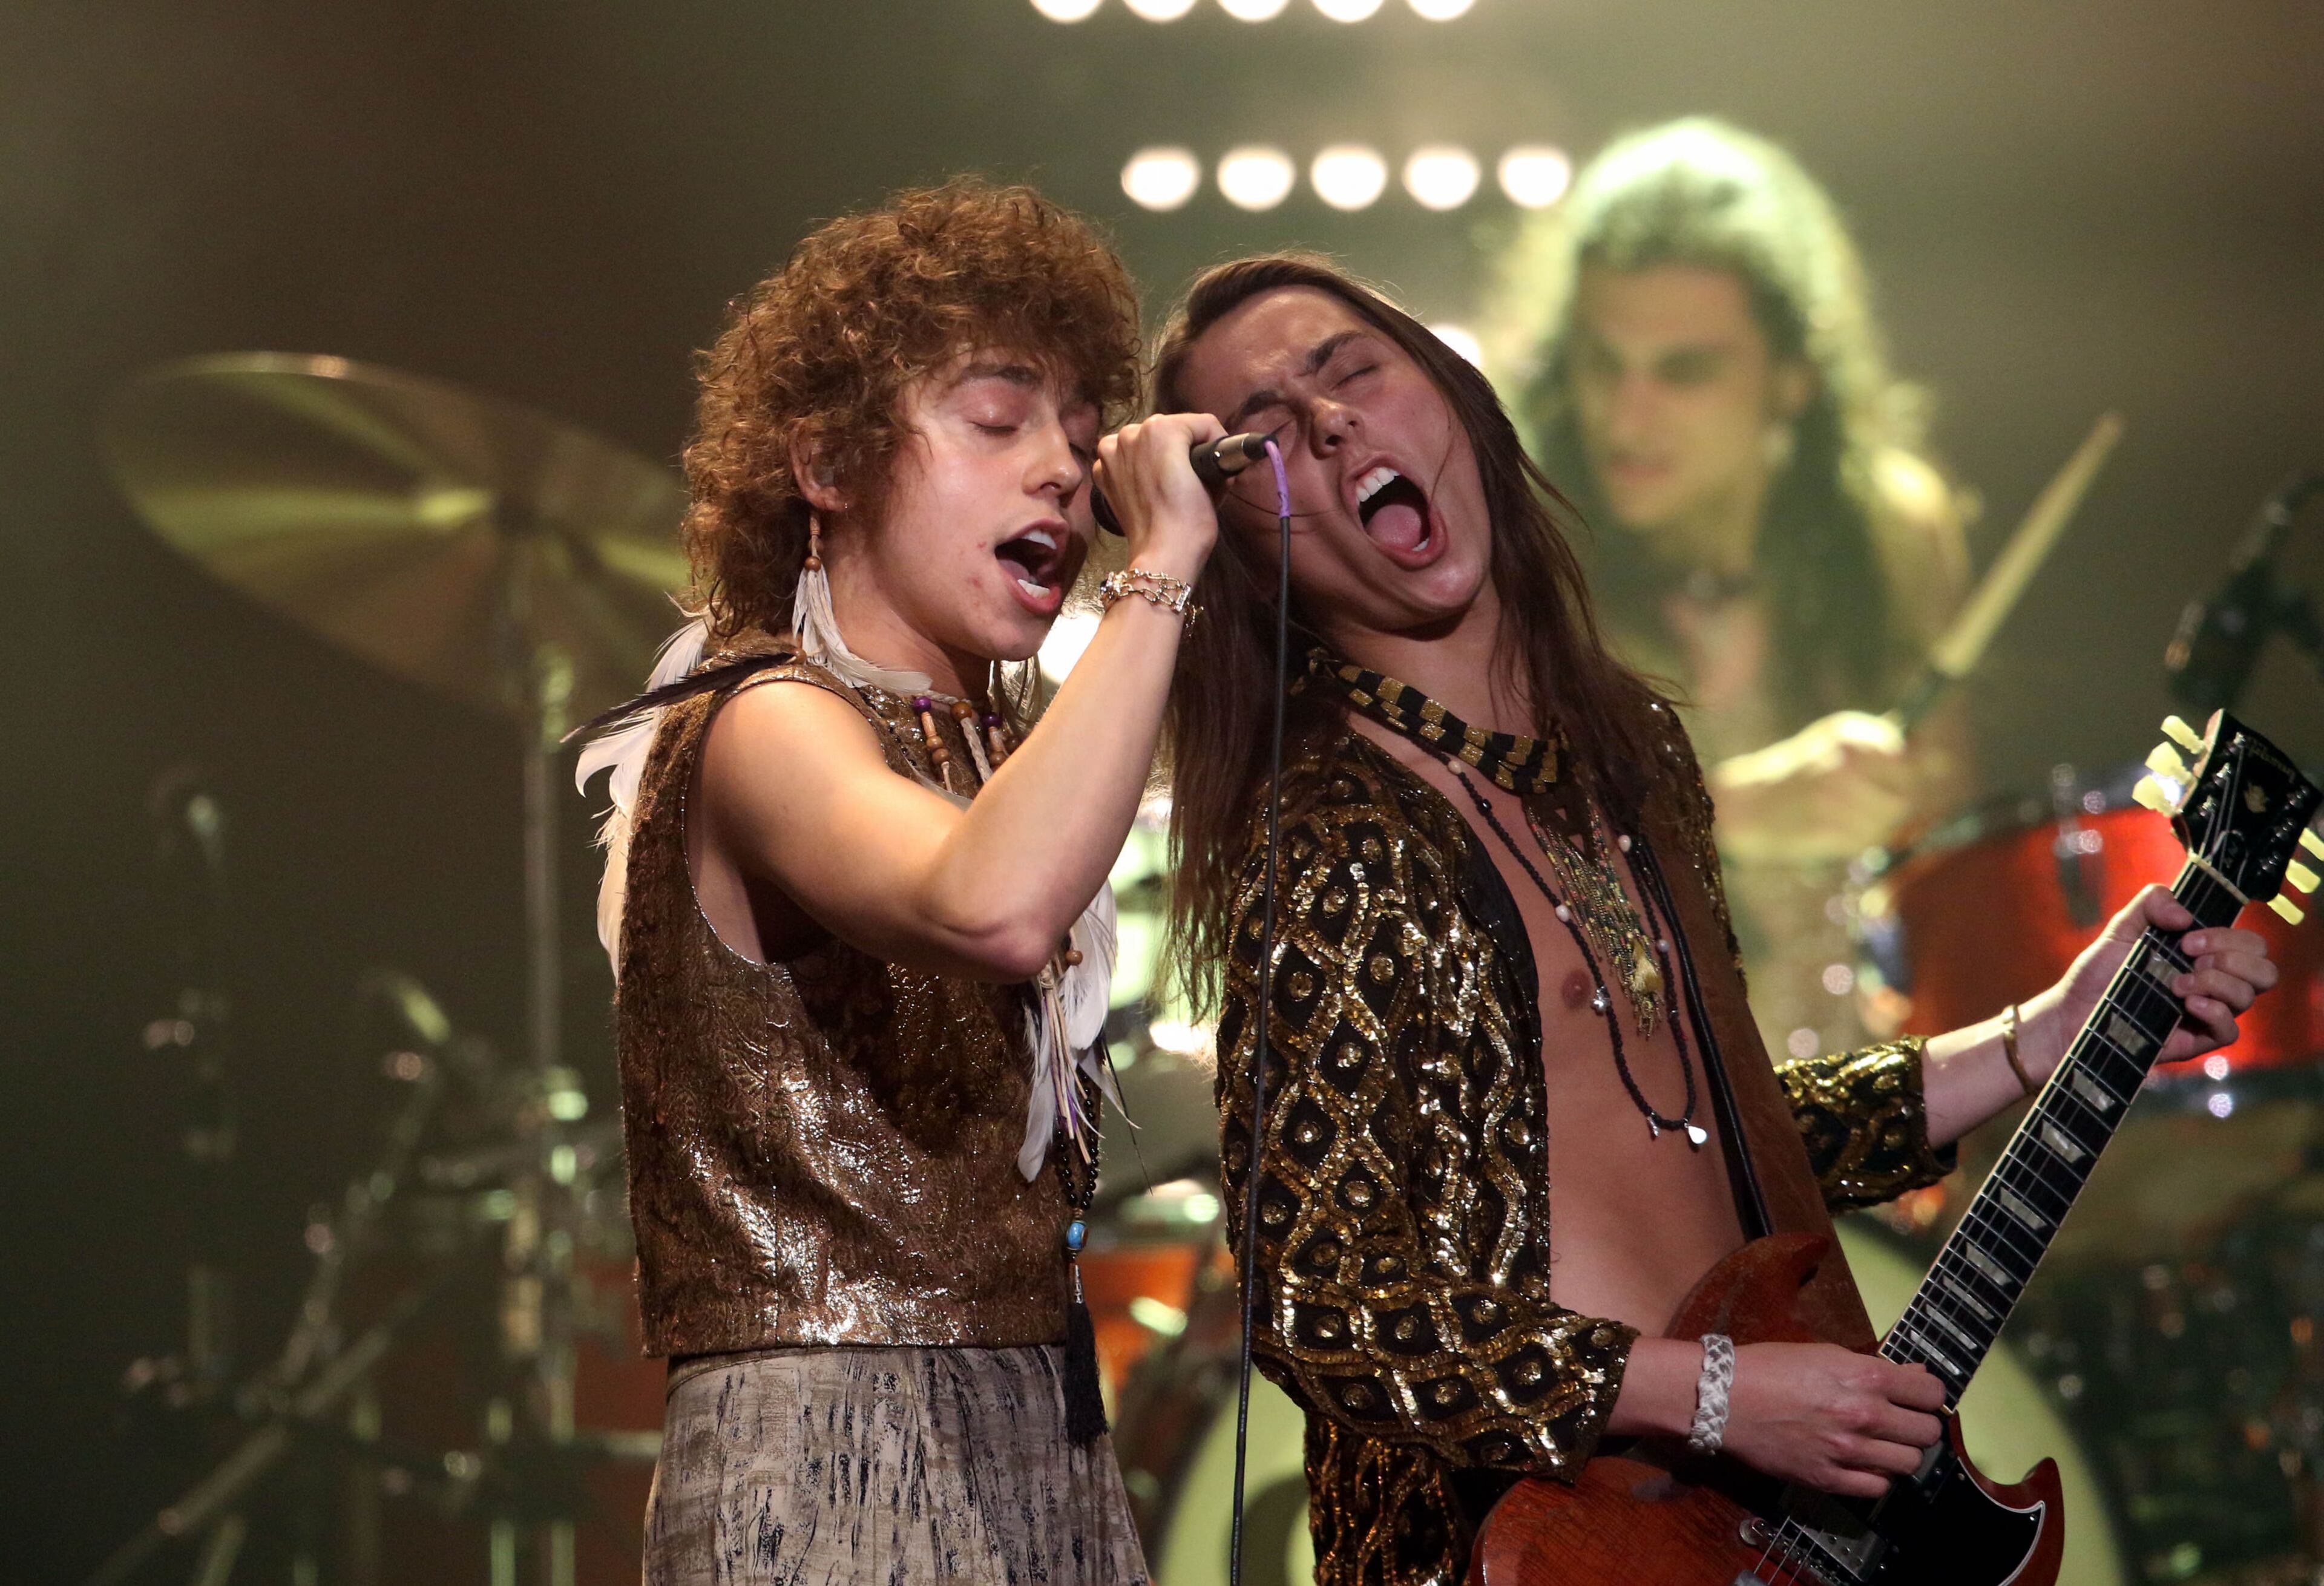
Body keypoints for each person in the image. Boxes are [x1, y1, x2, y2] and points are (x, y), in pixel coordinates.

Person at [1151, 254, 2279, 1585]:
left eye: (1352, 370)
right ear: (1244, 539)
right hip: (1542, 1547)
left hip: (1757, 1530)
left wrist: (2042, 1036)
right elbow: (1320, 1303)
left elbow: (1717, 1138)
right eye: (1267, 436)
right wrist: (1710, 1394)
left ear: (1454, 400)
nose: (1330, 424)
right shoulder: (1332, 835)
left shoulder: (1629, 753)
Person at [577, 180, 1222, 1585]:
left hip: (1040, 1440)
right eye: (998, 422)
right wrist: (1161, 567)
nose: (1061, 467)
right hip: (825, 1461)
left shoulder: (991, 759)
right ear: (827, 462)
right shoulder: (764, 724)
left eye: (1073, 430)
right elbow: (985, 904)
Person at [1490, 117, 1975, 1058]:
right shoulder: (1528, 556)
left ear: (1794, 375)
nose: (1626, 417)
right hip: (1651, 1119)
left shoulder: (1891, 531)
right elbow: (1499, 875)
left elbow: (1954, 849)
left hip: (1889, 1100)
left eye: (1684, 371)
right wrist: (1737, 811)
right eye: (1602, 363)